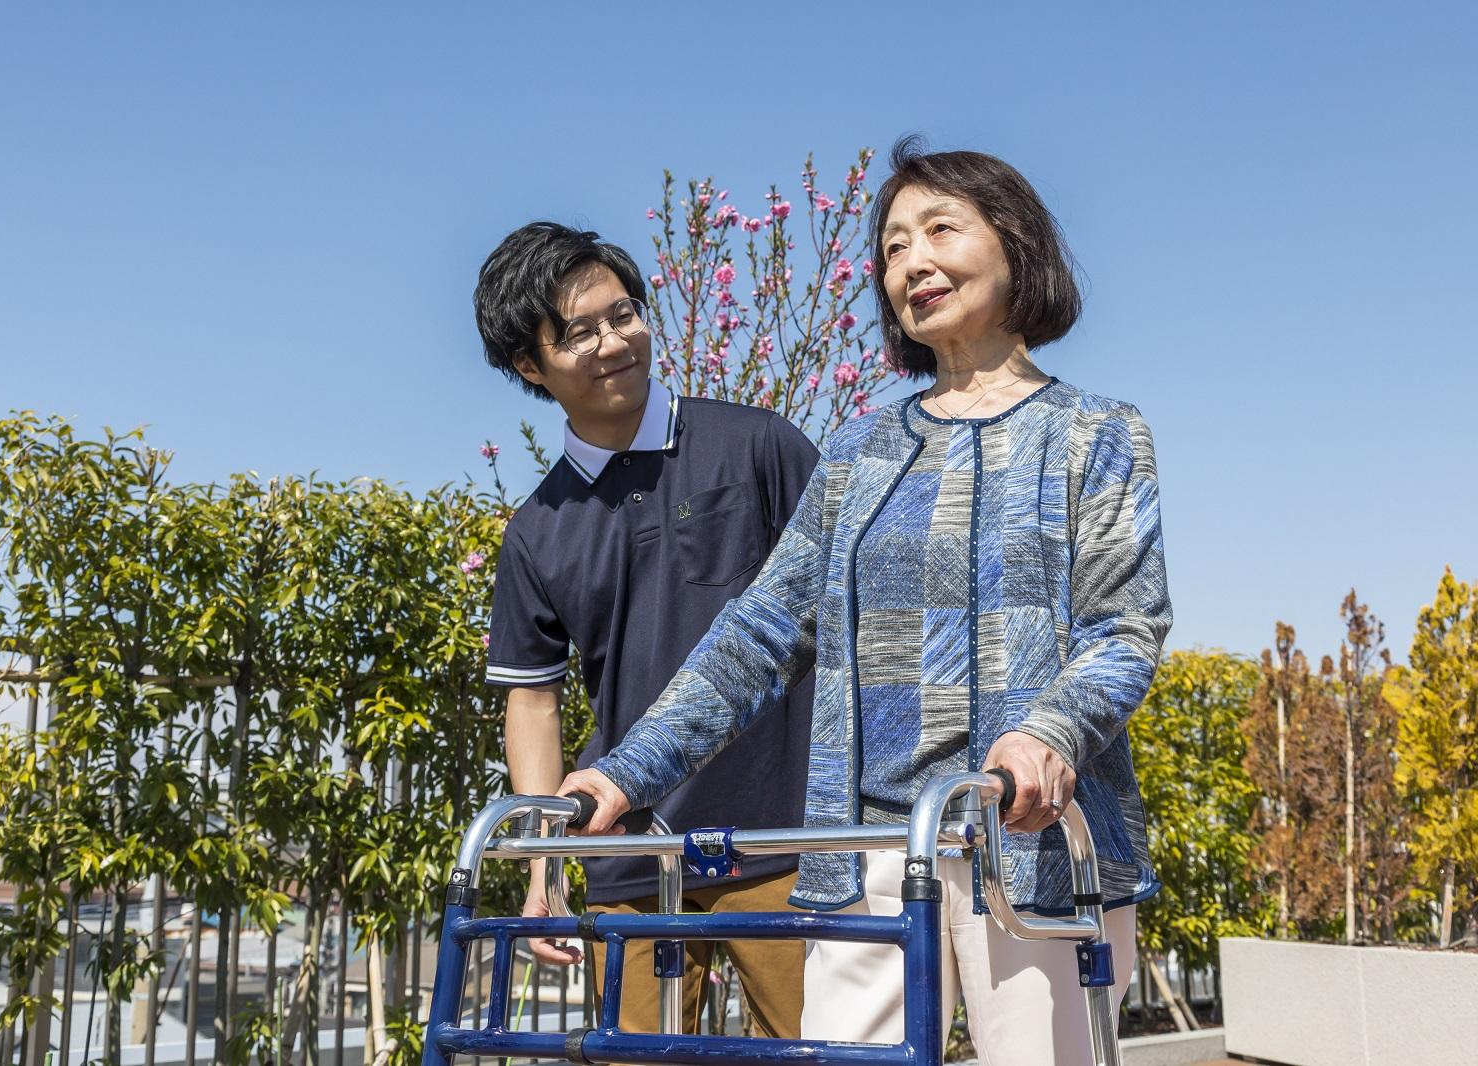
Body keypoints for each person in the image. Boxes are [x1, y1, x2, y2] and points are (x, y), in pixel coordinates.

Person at [559, 140, 1172, 1065]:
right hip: (868, 849)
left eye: (939, 231)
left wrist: (1050, 731)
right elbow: (761, 630)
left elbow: (1127, 624)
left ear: (1015, 242)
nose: (911, 263)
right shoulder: (858, 452)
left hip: (1028, 841)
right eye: (891, 248)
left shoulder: (1098, 434)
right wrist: (626, 770)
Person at [475, 221, 819, 1038]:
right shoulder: (535, 530)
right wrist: (544, 864)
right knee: (631, 1056)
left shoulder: (759, 444)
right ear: (531, 364)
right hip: (624, 846)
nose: (613, 341)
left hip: (791, 833)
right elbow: (533, 702)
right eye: (579, 331)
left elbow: (847, 609)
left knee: (823, 1050)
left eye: (622, 313)